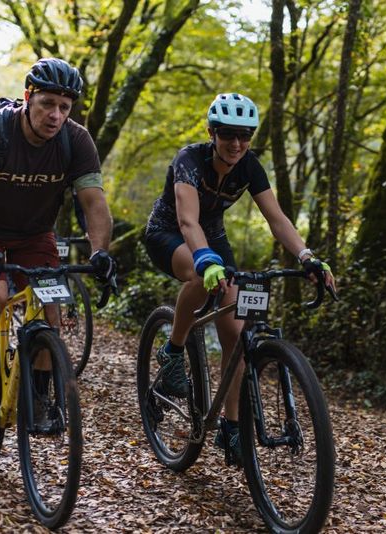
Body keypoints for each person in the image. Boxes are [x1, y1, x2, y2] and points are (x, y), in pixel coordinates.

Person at [144, 92, 336, 466]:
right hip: (169, 232)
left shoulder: (249, 166)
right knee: (199, 277)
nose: (236, 143)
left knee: (235, 332)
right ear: (212, 133)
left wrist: (307, 257)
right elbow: (187, 221)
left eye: (245, 135)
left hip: (213, 238)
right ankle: (173, 351)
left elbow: (277, 219)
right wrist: (204, 259)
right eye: (228, 134)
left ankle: (232, 426)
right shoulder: (189, 160)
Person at [0, 58, 117, 421]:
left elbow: (94, 202)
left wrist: (100, 252)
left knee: (50, 309)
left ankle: (39, 396)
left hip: (35, 234)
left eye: (64, 107)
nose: (55, 115)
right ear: (28, 98)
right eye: (47, 104)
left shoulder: (76, 141)